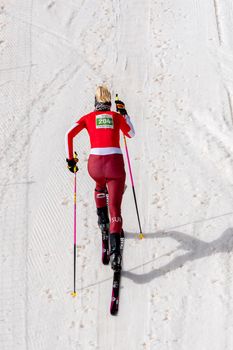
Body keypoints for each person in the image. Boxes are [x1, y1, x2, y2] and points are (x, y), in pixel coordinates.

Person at [65, 85, 135, 271]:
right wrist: (124, 113)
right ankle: (115, 254)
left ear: (95, 102)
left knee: (99, 186)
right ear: (110, 102)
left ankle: (101, 220)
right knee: (115, 208)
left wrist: (71, 161)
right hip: (115, 164)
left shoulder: (88, 118)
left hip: (95, 165)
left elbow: (68, 135)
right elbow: (131, 133)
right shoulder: (116, 117)